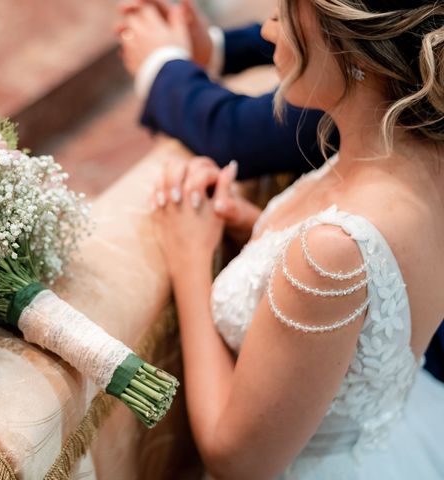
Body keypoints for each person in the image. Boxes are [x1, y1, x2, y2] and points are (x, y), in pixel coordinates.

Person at [123, 0, 444, 478]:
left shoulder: (333, 252)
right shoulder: (415, 152)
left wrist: (190, 259)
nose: (269, 31)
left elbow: (237, 459)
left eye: (283, 13)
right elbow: (380, 286)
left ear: (355, 51)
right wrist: (257, 228)